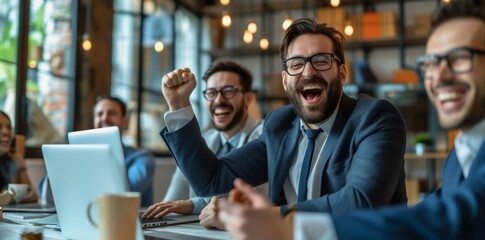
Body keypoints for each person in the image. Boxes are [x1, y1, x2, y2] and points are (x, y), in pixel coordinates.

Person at [217, 0, 485, 239]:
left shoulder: (374, 116)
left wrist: (287, 224)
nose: (440, 76)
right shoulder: (460, 156)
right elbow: (431, 212)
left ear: (342, 73)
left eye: (460, 58)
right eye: (431, 63)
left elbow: (453, 217)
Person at [159, 16, 408, 218]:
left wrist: (263, 218)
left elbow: (361, 202)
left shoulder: (375, 118)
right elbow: (211, 181)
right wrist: (179, 106)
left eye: (321, 61)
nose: (308, 72)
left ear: (342, 73)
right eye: (296, 64)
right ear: (285, 80)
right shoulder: (279, 125)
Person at [142, 61, 264, 229]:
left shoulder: (265, 136)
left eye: (229, 91)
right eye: (211, 93)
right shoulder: (201, 142)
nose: (219, 100)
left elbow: (252, 198)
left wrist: (192, 204)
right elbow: (171, 202)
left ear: (248, 98)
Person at [39, 96, 155, 206]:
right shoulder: (81, 154)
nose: (104, 118)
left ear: (125, 121)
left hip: (128, 221)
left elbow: (126, 192)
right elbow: (44, 194)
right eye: (99, 114)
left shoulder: (142, 158)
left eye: (112, 113)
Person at [0, 111, 38, 202]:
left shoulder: (10, 160)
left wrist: (20, 163)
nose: (6, 132)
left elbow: (33, 196)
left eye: (9, 128)